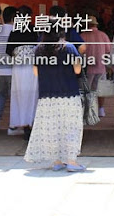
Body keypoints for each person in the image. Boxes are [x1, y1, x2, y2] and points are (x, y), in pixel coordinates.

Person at [24, 27, 85, 172]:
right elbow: (77, 70)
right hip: (69, 94)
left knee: (52, 129)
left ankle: (56, 161)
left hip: (47, 96)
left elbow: (36, 72)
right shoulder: (69, 47)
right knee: (71, 127)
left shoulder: (38, 49)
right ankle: (71, 161)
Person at [6, 6, 38, 138]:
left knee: (19, 94)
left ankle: (22, 123)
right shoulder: (34, 30)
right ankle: (32, 123)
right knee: (33, 94)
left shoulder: (15, 31)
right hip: (31, 66)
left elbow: (8, 50)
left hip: (18, 67)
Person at [81, 15, 111, 117]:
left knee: (87, 90)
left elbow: (79, 52)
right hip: (101, 67)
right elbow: (108, 51)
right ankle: (101, 110)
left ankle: (88, 110)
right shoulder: (103, 35)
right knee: (100, 89)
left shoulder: (83, 36)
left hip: (88, 68)